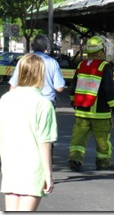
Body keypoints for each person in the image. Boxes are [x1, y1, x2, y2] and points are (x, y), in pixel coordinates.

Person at [0, 53, 57, 211]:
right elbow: (44, 141)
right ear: (41, 74)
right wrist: (48, 174)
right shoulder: (44, 104)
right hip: (33, 167)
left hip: (10, 164)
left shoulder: (5, 99)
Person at [67, 35, 114, 172]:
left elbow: (73, 87)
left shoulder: (81, 65)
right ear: (101, 50)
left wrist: (73, 101)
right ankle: (103, 163)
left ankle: (75, 160)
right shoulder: (104, 66)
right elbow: (108, 89)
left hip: (81, 110)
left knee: (78, 138)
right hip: (100, 112)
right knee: (102, 139)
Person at [9, 34, 66, 106]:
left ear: (32, 46)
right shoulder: (52, 62)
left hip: (25, 102)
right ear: (45, 47)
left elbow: (13, 86)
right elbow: (59, 88)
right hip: (46, 103)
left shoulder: (23, 61)